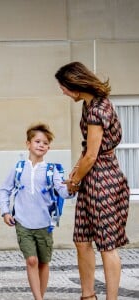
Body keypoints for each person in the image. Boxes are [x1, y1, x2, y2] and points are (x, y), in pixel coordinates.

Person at [55, 61, 130, 300]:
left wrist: (75, 181)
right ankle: (88, 296)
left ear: (75, 86)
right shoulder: (88, 106)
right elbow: (86, 150)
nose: (63, 92)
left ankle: (111, 298)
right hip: (92, 178)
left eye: (64, 87)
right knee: (81, 240)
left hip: (103, 181)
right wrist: (76, 172)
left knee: (107, 245)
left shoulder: (98, 110)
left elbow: (92, 155)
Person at [0, 123, 73, 300]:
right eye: (37, 141)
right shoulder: (18, 168)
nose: (41, 145)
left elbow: (63, 193)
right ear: (28, 143)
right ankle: (38, 298)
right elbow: (4, 190)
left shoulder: (52, 170)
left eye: (45, 143)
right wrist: (5, 211)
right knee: (32, 260)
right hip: (23, 222)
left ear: (48, 147)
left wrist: (71, 186)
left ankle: (41, 295)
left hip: (45, 224)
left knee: (44, 262)